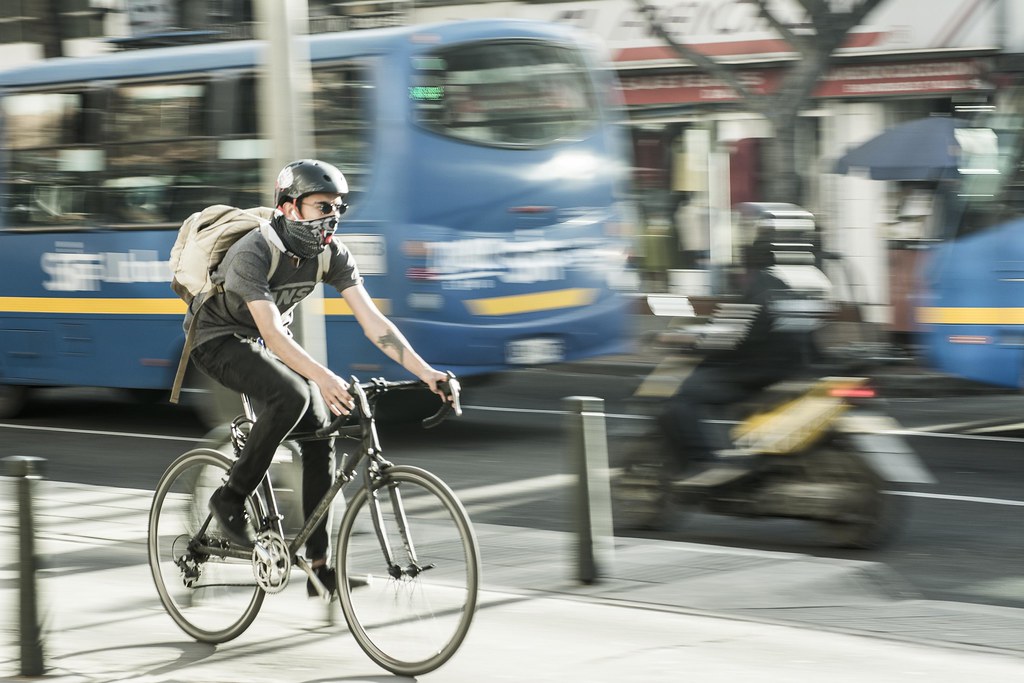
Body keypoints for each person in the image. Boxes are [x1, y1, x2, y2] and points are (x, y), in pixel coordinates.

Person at [185, 159, 448, 597]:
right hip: (216, 341)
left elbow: (374, 322)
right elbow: (271, 331)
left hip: (262, 344)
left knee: (321, 428)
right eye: (322, 206)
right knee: (292, 395)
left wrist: (428, 373)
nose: (333, 217)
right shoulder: (254, 250)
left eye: (338, 207)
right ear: (289, 208)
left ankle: (319, 565)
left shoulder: (331, 253)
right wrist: (325, 378)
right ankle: (229, 498)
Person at [657, 227, 831, 482]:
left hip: (753, 373)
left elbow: (728, 335)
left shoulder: (759, 288)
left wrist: (686, 339)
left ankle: (704, 463)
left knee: (684, 398)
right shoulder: (793, 289)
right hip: (792, 368)